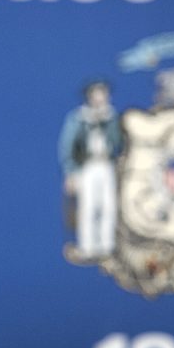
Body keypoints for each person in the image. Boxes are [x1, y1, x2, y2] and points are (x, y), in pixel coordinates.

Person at [58, 80, 122, 259]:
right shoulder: (78, 118)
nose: (102, 97)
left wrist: (110, 122)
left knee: (108, 205)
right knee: (88, 206)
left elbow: (117, 142)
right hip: (86, 166)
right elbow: (67, 145)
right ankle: (87, 246)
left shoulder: (111, 116)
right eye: (98, 93)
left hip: (106, 164)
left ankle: (107, 245)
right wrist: (70, 171)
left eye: (104, 93)